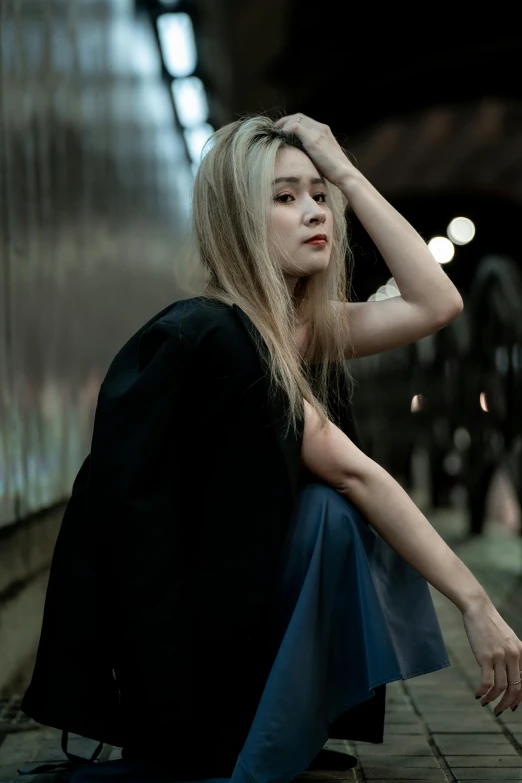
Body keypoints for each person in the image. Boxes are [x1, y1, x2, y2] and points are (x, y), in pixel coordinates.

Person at [20, 114, 521, 783]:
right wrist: (475, 602)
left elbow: (436, 302)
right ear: (237, 220)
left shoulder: (297, 329)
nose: (315, 212)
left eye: (319, 195)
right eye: (284, 198)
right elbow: (358, 475)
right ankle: (244, 751)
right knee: (333, 511)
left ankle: (274, 734)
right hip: (181, 644)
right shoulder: (224, 338)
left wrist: (342, 166)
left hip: (226, 614)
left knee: (326, 514)